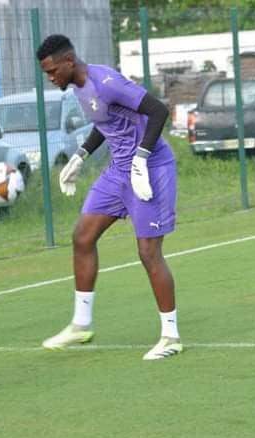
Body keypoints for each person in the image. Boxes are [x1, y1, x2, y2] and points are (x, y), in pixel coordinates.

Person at [36, 34, 182, 360]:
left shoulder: (106, 81)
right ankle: (81, 324)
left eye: (52, 71)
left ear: (69, 62)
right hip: (118, 171)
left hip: (151, 167)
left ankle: (170, 336)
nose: (50, 78)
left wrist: (142, 158)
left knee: (148, 251)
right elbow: (106, 122)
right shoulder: (78, 87)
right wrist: (80, 157)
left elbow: (158, 111)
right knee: (83, 236)